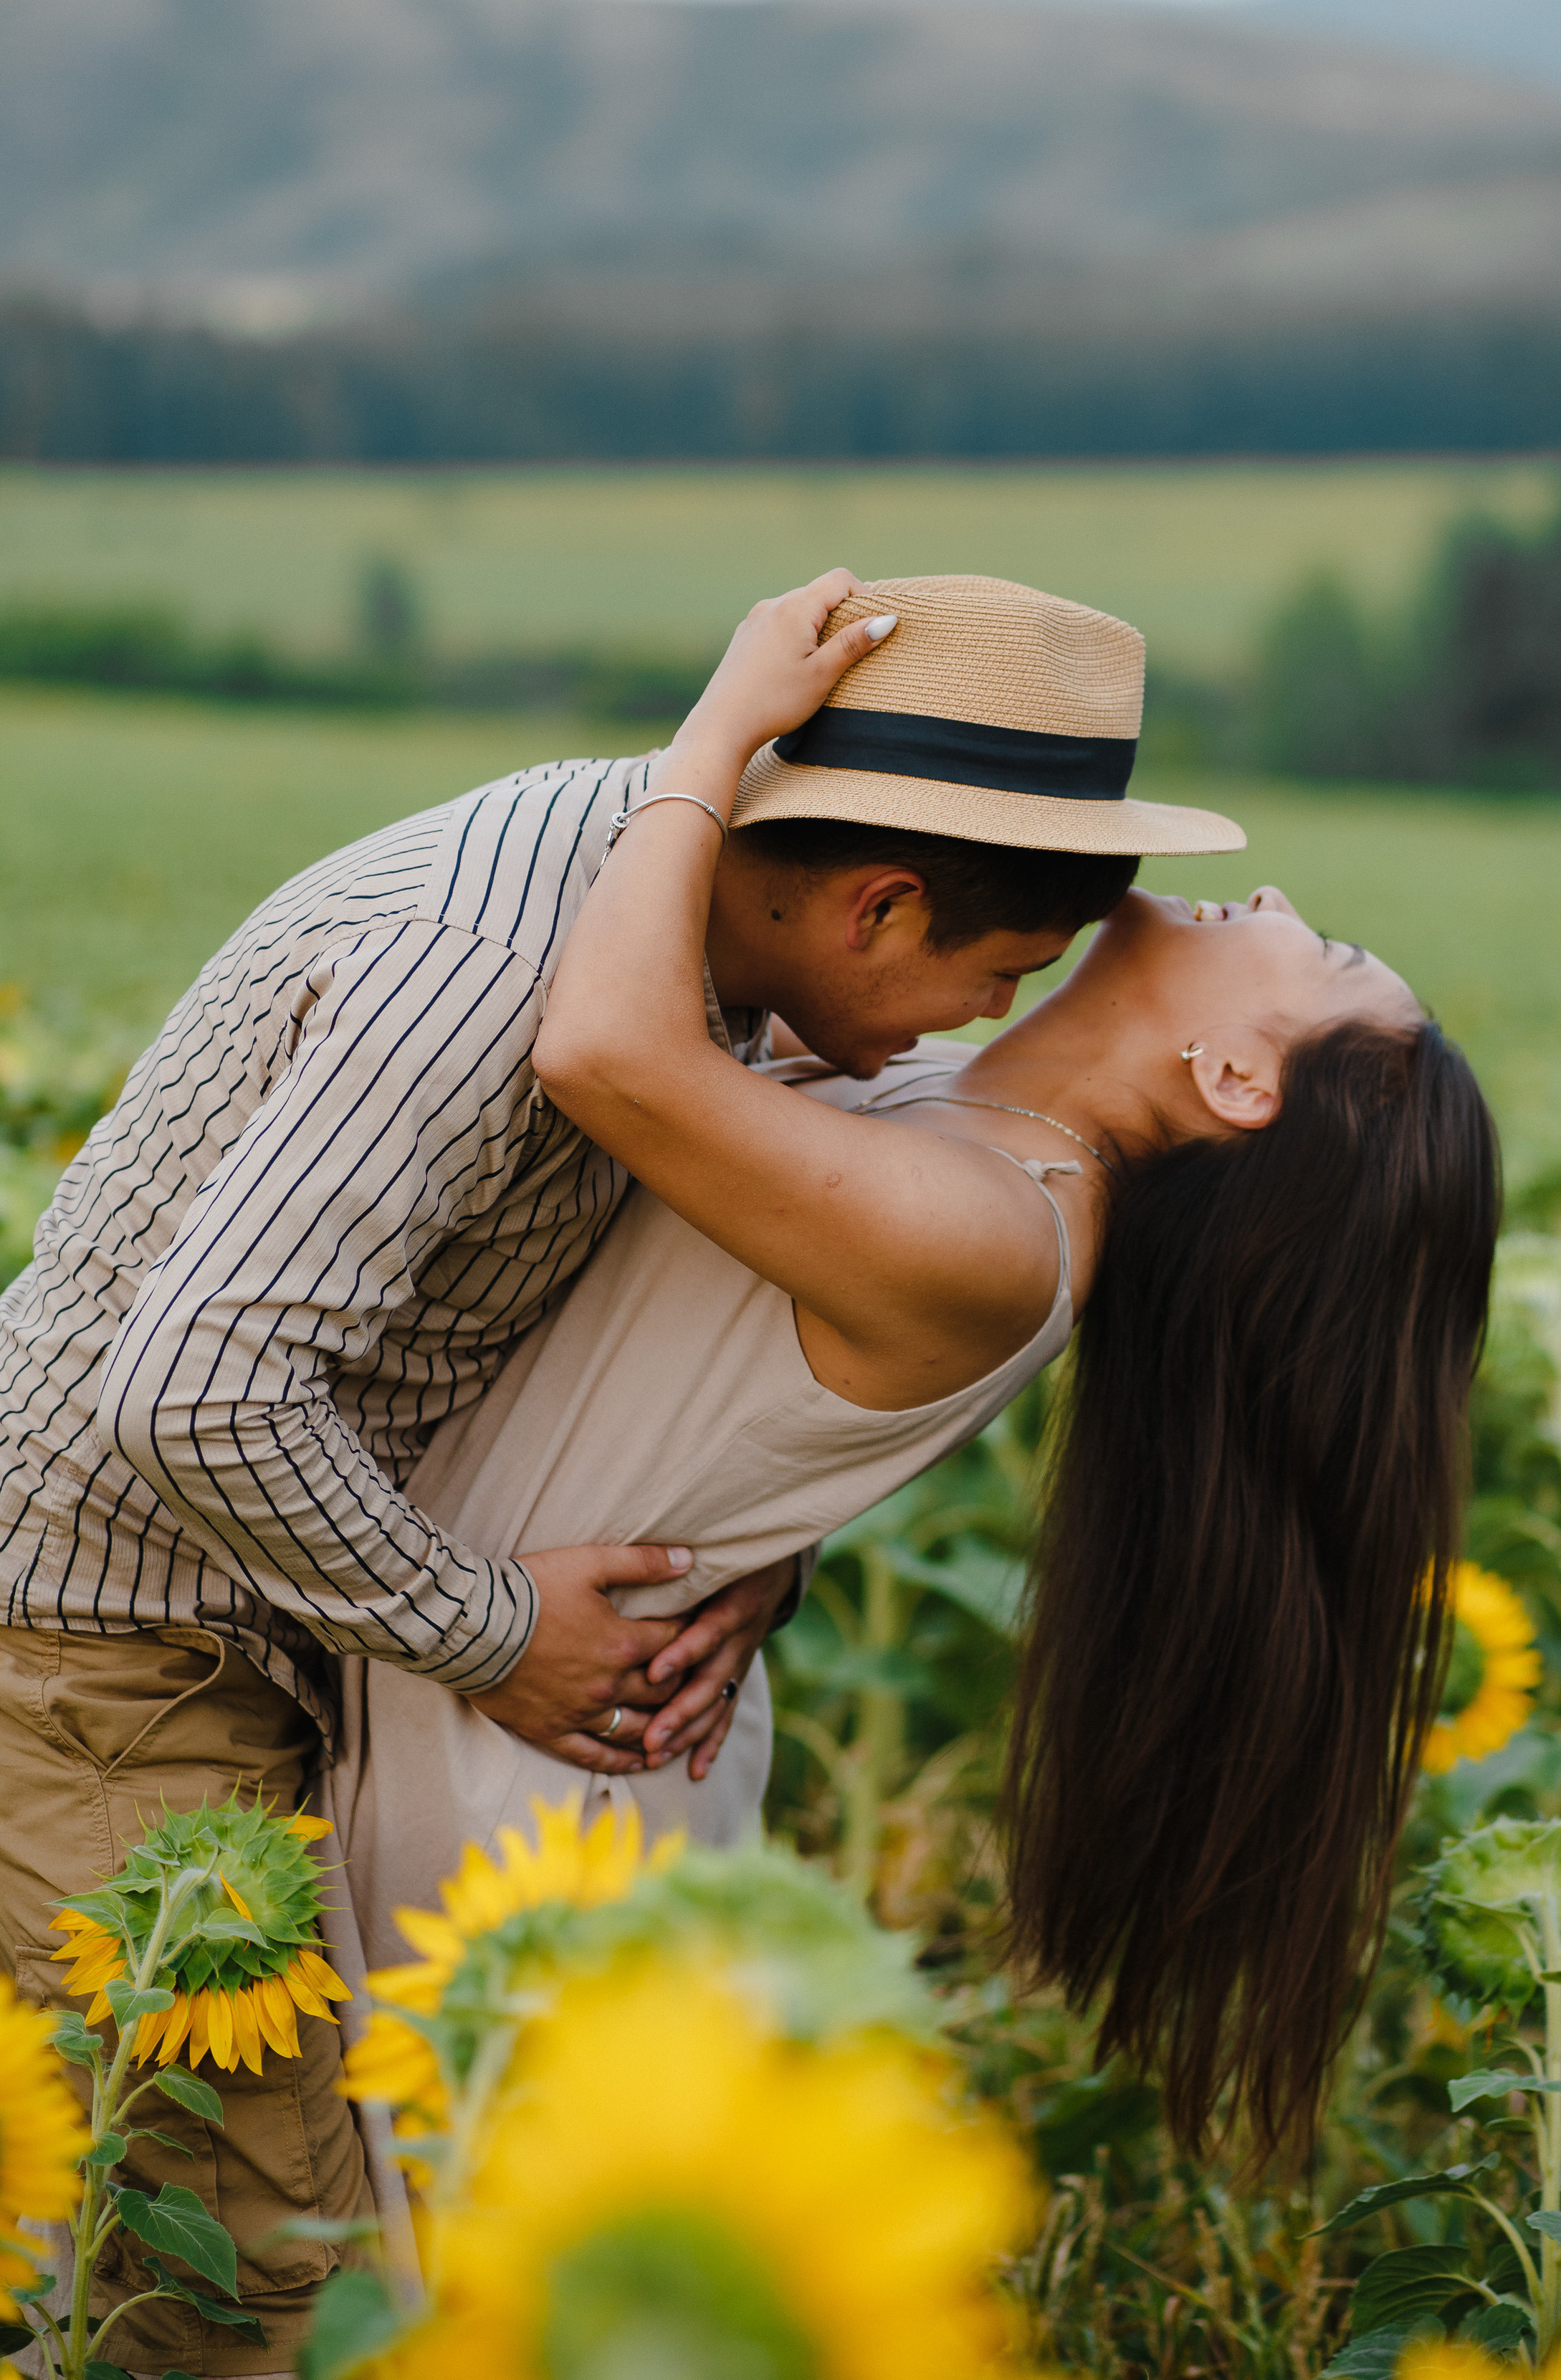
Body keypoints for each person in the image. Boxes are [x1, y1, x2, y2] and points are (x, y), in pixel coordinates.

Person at [0, 568, 1238, 2371]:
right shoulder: (486, 964)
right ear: (879, 898)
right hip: (110, 1649)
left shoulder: (707, 931)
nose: (964, 1028)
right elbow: (193, 1394)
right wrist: (496, 1631)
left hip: (230, 1621)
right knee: (230, 2269)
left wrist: (757, 1543)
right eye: (991, 973)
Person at [342, 570, 1502, 2171]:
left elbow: (611, 1051)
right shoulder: (970, 1111)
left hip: (522, 1776)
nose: (1277, 906)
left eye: (1329, 952)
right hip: (472, 1669)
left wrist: (721, 733)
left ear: (1238, 1079)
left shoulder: (992, 1233)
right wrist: (771, 1542)